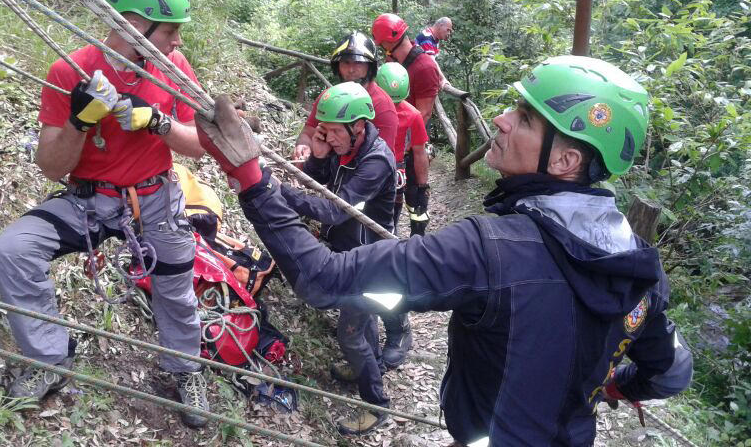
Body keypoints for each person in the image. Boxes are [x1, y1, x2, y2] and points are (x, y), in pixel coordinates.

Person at [195, 55, 694, 446]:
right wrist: (611, 385)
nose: (499, 120)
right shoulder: (640, 268)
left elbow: (323, 277)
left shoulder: (489, 249)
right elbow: (672, 372)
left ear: (565, 158)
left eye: (523, 117)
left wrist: (251, 179)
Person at [0, 0, 211, 429]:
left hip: (154, 195)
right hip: (87, 199)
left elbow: (198, 144)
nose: (177, 42)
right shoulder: (69, 70)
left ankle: (186, 369)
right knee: (13, 250)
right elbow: (52, 165)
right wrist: (81, 121)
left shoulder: (175, 69)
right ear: (134, 24)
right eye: (170, 31)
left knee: (175, 284)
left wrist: (158, 121)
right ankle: (48, 358)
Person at [278, 82, 395, 434]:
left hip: (371, 257)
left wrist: (279, 192)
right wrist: (316, 154)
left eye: (331, 132)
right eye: (322, 130)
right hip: (351, 250)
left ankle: (376, 405)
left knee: (349, 334)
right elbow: (318, 182)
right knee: (360, 323)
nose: (327, 137)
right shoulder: (346, 150)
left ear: (358, 126)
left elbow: (333, 210)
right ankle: (368, 363)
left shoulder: (375, 162)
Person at [374, 62, 432, 370]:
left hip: (390, 183)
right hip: (359, 179)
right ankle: (363, 327)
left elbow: (419, 152)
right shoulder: (363, 106)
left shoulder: (410, 115)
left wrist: (421, 188)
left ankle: (397, 326)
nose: (392, 108)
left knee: (380, 254)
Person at [293, 32, 397, 161]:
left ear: (370, 67)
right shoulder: (329, 97)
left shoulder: (382, 105)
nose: (351, 70)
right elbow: (309, 131)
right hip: (326, 171)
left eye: (358, 63)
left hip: (364, 174)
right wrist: (304, 145)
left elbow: (383, 158)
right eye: (346, 63)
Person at [371, 13, 442, 126]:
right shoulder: (393, 60)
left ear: (388, 42)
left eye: (381, 44)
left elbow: (424, 114)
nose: (381, 47)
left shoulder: (425, 68)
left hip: (407, 136)